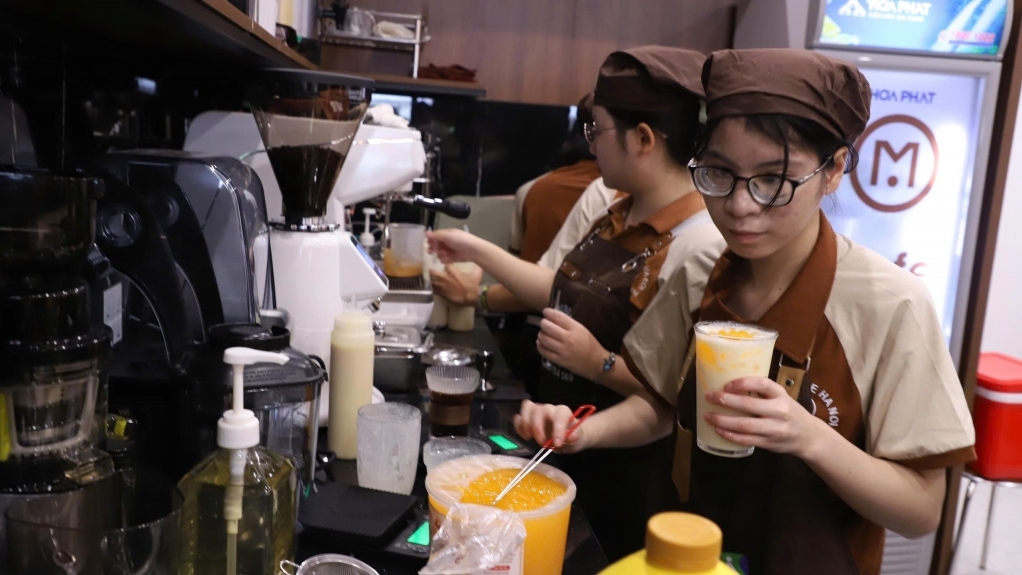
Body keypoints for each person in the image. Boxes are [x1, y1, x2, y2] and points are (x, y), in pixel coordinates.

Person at [513, 48, 976, 575]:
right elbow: (661, 407)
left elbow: (921, 510)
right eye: (719, 173)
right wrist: (581, 432)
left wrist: (808, 436)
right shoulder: (700, 270)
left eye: (774, 180)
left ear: (833, 170)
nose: (740, 206)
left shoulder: (890, 305)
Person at [427, 46, 725, 560]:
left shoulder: (699, 245)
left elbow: (676, 398)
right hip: (568, 446)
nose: (590, 144)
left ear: (643, 139)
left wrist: (597, 363)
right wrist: (477, 250)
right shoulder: (618, 210)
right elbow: (563, 291)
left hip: (624, 475)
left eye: (597, 130)